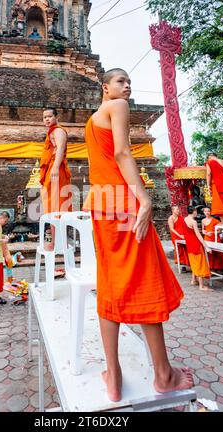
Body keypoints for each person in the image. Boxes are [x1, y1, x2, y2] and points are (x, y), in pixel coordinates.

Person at [83, 68, 194, 402]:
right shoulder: (117, 107)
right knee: (143, 282)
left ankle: (113, 376)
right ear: (105, 87)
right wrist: (144, 199)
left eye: (130, 81)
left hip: (101, 206)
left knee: (111, 285)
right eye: (121, 81)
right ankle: (164, 374)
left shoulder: (91, 120)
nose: (127, 86)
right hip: (122, 204)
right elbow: (121, 152)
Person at [40, 108, 72, 251]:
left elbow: (60, 149)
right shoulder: (51, 131)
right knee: (52, 205)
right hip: (52, 169)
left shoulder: (58, 131)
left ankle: (58, 242)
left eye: (49, 116)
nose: (47, 119)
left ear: (56, 117)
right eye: (44, 117)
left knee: (58, 205)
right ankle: (55, 241)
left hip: (56, 169)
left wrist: (55, 167)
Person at [183, 206, 212, 291]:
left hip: (189, 244)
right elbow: (198, 235)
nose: (197, 213)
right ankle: (201, 286)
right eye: (196, 211)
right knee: (200, 263)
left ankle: (193, 280)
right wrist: (206, 246)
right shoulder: (193, 221)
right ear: (194, 212)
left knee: (194, 262)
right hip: (195, 244)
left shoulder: (184, 219)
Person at [206, 153, 223, 224]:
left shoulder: (210, 162)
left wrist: (208, 186)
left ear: (210, 157)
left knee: (219, 205)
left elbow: (208, 174)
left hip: (216, 185)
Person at [202, 207, 223, 272]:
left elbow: (220, 231)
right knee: (209, 254)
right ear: (203, 212)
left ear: (211, 212)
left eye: (208, 211)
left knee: (219, 254)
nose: (207, 213)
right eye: (205, 211)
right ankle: (211, 268)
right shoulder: (203, 220)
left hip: (215, 238)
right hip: (207, 238)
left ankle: (222, 269)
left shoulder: (216, 220)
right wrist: (204, 232)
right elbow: (203, 229)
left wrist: (213, 232)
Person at [168, 206, 189, 272]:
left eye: (178, 209)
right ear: (173, 210)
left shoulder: (181, 217)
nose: (178, 211)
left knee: (185, 249)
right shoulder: (171, 218)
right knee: (179, 250)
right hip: (176, 235)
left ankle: (185, 264)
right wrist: (179, 235)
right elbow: (171, 228)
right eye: (177, 209)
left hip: (183, 235)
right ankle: (181, 265)